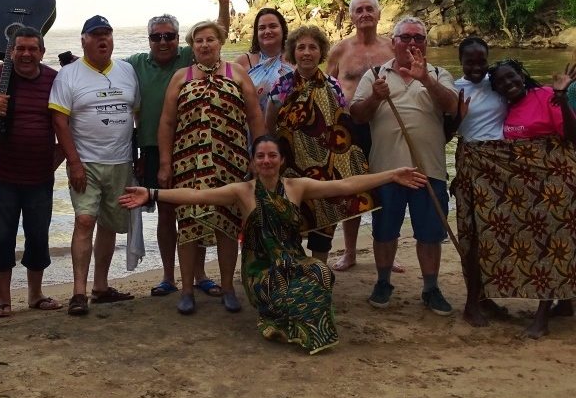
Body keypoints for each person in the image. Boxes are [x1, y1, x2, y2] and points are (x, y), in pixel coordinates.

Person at [119, 135, 428, 354]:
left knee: (321, 275)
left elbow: (345, 185)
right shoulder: (242, 191)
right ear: (253, 162)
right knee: (281, 289)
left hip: (295, 262)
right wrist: (152, 194)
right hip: (260, 269)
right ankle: (278, 322)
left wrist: (392, 175)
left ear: (281, 160)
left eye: (272, 155)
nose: (266, 161)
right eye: (261, 156)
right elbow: (196, 196)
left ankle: (297, 324)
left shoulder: (297, 187)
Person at [128, 0, 232, 298]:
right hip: (150, 147)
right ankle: (168, 276)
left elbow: (217, 35)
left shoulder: (188, 57)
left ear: (177, 38)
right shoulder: (134, 63)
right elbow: (106, 72)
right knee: (167, 211)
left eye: (169, 36)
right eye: (157, 37)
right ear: (148, 40)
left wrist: (224, 3)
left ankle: (199, 274)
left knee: (195, 209)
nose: (163, 42)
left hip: (193, 145)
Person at [350, 16, 458, 315]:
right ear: (393, 42)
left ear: (425, 43)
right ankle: (383, 281)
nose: (412, 43)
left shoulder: (438, 73)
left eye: (419, 38)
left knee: (429, 233)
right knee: (384, 231)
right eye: (406, 38)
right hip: (386, 171)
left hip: (429, 169)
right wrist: (375, 97)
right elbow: (357, 114)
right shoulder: (375, 75)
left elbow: (452, 106)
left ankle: (431, 287)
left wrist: (426, 79)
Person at [462, 59, 576, 338]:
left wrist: (562, 98)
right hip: (525, 188)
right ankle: (565, 302)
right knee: (533, 242)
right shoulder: (505, 108)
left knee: (551, 243)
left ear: (522, 75)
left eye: (511, 77)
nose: (507, 84)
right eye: (500, 82)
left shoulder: (548, 96)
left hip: (555, 182)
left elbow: (571, 136)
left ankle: (541, 319)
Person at [157, 20, 265, 314]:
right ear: (192, 47)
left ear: (220, 43)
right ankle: (188, 290)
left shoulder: (237, 73)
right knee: (188, 226)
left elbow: (255, 117)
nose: (205, 45)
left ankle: (228, 287)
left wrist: (258, 155)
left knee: (228, 226)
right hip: (188, 163)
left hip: (230, 162)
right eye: (198, 41)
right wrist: (165, 164)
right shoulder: (182, 76)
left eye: (210, 40)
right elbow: (167, 122)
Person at [50, 15, 140, 316]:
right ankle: (78, 292)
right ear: (83, 40)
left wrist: (138, 156)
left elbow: (135, 114)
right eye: (96, 35)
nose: (103, 40)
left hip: (121, 162)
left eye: (108, 34)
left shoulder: (127, 71)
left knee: (111, 224)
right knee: (85, 220)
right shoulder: (69, 75)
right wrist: (73, 162)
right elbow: (59, 121)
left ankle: (101, 287)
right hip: (85, 162)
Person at [0, 26, 63, 316]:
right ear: (10, 51)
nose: (26, 54)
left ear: (42, 52)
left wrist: (56, 161)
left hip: (40, 176)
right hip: (3, 175)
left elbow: (66, 126)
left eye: (32, 49)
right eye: (20, 48)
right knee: (1, 236)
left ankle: (36, 295)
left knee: (38, 235)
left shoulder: (53, 79)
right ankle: (3, 299)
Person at [265, 25, 374, 264]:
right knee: (290, 222)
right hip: (290, 166)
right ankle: (293, 273)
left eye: (312, 47)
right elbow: (269, 126)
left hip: (325, 166)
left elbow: (341, 124)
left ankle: (320, 273)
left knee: (323, 224)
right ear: (293, 52)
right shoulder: (282, 85)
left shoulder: (332, 84)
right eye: (301, 47)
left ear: (320, 52)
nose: (306, 52)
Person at [326, 0, 399, 273]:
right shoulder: (340, 50)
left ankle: (388, 251)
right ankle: (351, 251)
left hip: (385, 125)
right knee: (352, 189)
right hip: (350, 128)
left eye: (370, 9)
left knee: (388, 187)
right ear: (351, 16)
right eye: (359, 10)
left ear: (379, 15)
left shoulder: (392, 48)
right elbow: (328, 88)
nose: (365, 14)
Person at [449, 37, 509, 327]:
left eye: (481, 61)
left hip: (503, 166)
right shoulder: (454, 90)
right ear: (461, 62)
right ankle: (472, 302)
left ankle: (488, 297)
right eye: (470, 62)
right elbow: (446, 134)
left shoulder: (499, 82)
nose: (476, 67)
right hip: (472, 163)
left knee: (495, 236)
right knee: (472, 235)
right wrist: (456, 116)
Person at [235, 7, 294, 114]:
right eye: (262, 28)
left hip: (289, 127)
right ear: (257, 33)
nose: (267, 31)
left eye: (273, 26)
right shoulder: (243, 62)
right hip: (254, 127)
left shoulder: (296, 59)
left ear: (283, 29)